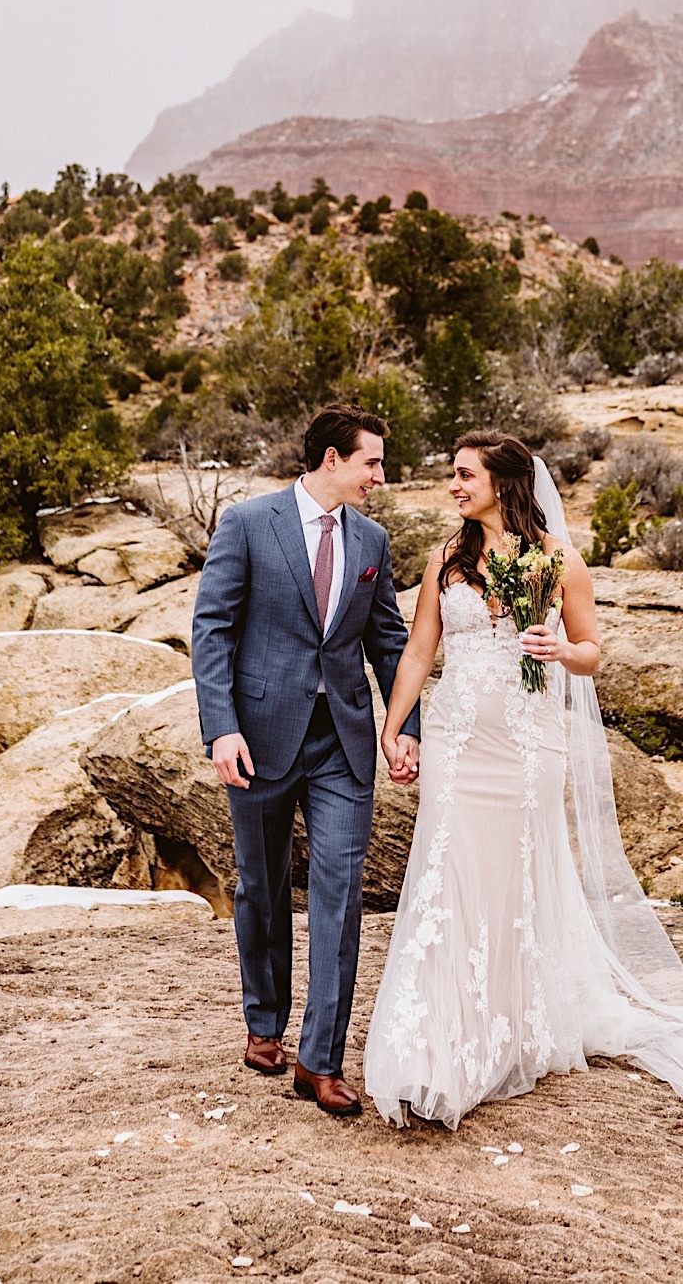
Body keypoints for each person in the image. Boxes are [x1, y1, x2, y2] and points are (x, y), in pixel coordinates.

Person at [363, 429, 683, 1169]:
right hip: (456, 741)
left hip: (524, 747)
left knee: (510, 882)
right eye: (452, 475)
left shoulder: (557, 560)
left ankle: (508, 1030)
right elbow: (421, 649)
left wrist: (556, 651)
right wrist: (396, 729)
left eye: (464, 475)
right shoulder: (443, 558)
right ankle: (433, 1043)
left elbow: (590, 650)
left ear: (503, 482)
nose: (453, 486)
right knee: (447, 877)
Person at [191, 403, 420, 1117]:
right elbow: (212, 630)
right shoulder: (249, 525)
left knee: (340, 894)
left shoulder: (374, 539)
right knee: (260, 885)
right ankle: (264, 1022)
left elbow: (388, 640)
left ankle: (320, 1060)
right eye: (371, 463)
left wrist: (405, 724)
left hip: (342, 743)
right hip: (258, 737)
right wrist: (221, 729)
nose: (380, 477)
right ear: (331, 459)